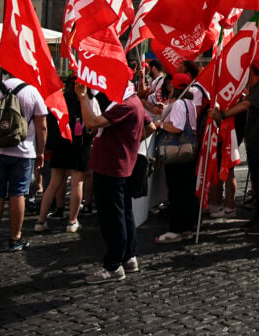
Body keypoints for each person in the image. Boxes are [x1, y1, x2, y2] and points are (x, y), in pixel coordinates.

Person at [0, 75, 48, 255]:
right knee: (18, 193)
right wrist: (40, 152)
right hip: (23, 150)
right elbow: (42, 125)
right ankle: (15, 238)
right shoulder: (32, 91)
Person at [79, 79, 148, 284]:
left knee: (112, 217)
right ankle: (128, 256)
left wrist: (83, 97)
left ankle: (113, 265)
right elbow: (149, 126)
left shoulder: (125, 104)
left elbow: (91, 122)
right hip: (120, 165)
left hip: (111, 167)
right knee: (124, 212)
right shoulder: (133, 101)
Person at [216, 61, 259, 235]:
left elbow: (245, 105)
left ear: (252, 73)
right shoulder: (257, 88)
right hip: (255, 141)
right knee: (258, 183)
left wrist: (224, 114)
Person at [34, 77, 93, 233]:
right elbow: (94, 126)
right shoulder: (88, 100)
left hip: (60, 144)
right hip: (79, 146)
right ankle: (72, 221)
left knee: (54, 183)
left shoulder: (58, 100)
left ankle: (41, 221)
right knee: (76, 183)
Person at [154, 73, 198, 244]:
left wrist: (161, 125)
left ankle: (176, 229)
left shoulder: (180, 103)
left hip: (177, 153)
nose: (169, 88)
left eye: (171, 85)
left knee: (176, 190)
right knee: (186, 190)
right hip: (188, 151)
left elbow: (177, 128)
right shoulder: (189, 103)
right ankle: (187, 227)